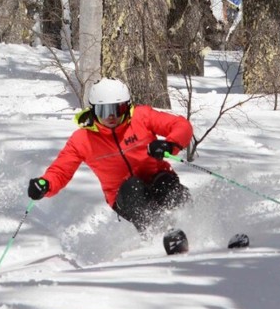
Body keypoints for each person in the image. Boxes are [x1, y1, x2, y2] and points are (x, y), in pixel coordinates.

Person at [28, 78, 193, 252]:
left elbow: (180, 125)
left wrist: (169, 144)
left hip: (157, 178)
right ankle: (161, 235)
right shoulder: (82, 139)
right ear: (93, 110)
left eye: (117, 109)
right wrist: (46, 184)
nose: (111, 116)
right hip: (125, 196)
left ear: (127, 106)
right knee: (133, 188)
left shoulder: (141, 117)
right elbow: (61, 170)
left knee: (166, 186)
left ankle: (195, 225)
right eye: (104, 110)